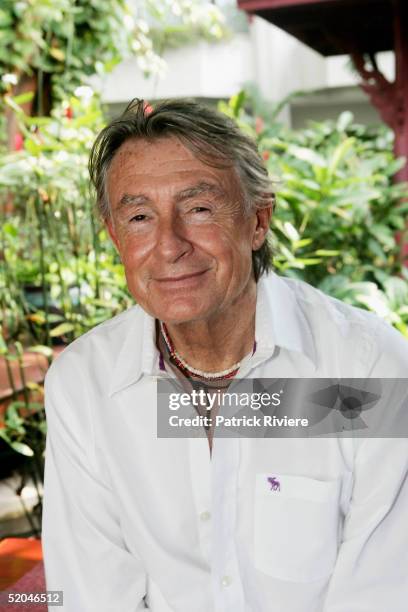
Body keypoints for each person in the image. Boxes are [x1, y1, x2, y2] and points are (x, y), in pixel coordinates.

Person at [42, 98, 408, 612]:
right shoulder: (84, 384)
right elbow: (90, 594)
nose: (169, 245)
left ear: (258, 220)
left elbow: (382, 594)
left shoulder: (368, 371)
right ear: (115, 236)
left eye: (198, 209)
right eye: (140, 216)